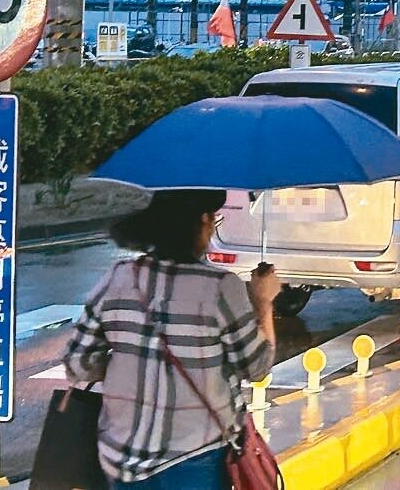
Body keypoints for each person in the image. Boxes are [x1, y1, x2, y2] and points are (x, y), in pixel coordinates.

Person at [64, 190, 280, 488]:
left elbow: (78, 363)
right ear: (203, 221)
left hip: (122, 460)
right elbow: (256, 367)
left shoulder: (119, 277)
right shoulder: (219, 288)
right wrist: (263, 303)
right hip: (194, 459)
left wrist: (133, 363)